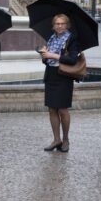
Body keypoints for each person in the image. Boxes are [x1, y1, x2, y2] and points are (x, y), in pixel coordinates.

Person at [38, 14, 79, 153]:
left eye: (62, 23)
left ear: (66, 25)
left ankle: (66, 139)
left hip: (64, 77)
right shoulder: (51, 38)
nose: (59, 26)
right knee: (51, 109)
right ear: (53, 25)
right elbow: (46, 60)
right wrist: (44, 54)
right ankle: (56, 139)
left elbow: (73, 59)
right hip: (51, 75)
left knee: (62, 109)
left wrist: (52, 55)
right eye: (57, 23)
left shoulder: (71, 38)